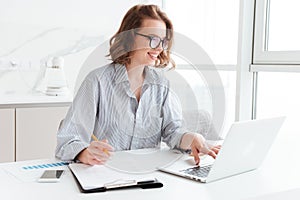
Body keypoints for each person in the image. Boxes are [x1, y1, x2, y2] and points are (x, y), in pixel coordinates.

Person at [55, 4, 220, 166]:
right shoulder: (97, 81)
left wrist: (193, 138)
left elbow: (173, 133)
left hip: (148, 176)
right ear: (130, 36)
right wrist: (84, 153)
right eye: (153, 39)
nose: (159, 48)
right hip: (105, 175)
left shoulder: (161, 84)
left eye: (163, 41)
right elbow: (68, 140)